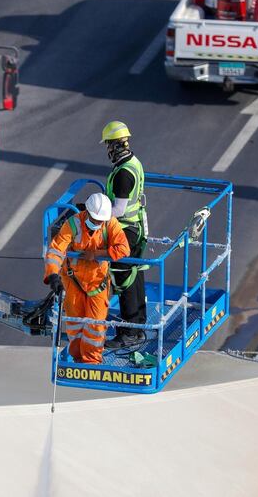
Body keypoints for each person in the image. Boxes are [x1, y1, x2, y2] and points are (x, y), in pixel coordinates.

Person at [44, 192, 129, 364]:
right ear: (87, 213)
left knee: (96, 326)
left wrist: (97, 254)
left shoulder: (110, 224)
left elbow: (123, 249)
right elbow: (56, 250)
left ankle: (91, 362)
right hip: (72, 282)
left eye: (100, 220)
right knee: (75, 324)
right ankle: (77, 359)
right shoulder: (74, 224)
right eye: (95, 219)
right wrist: (52, 274)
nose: (98, 223)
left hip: (97, 284)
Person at [100, 121, 149, 348]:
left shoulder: (123, 173)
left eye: (108, 145)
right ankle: (138, 325)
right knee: (135, 273)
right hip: (136, 226)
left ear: (115, 145)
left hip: (126, 229)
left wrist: (96, 211)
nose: (107, 149)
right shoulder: (133, 162)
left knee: (124, 278)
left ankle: (130, 332)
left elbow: (119, 209)